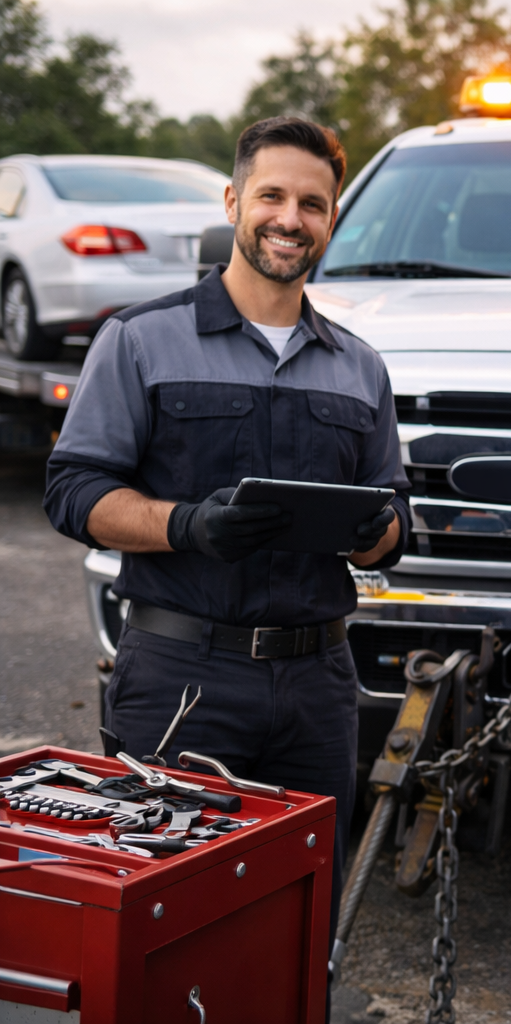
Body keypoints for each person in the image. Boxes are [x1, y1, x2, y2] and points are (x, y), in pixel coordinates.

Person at [43, 116, 409, 938]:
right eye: (272, 195)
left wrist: (371, 530)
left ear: (332, 218)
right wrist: (188, 525)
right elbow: (72, 491)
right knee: (166, 920)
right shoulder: (140, 338)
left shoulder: (361, 365)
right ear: (234, 200)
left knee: (299, 924)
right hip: (183, 678)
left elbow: (394, 518)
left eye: (312, 203)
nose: (290, 218)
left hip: (319, 687)